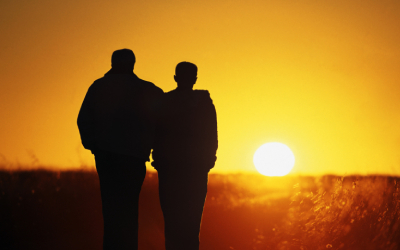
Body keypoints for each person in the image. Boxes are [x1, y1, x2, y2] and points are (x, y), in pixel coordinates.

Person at [77, 49, 163, 250]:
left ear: (113, 63)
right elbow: (163, 116)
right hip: (134, 158)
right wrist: (150, 145)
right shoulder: (146, 89)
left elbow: (83, 120)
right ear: (133, 64)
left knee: (111, 210)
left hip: (107, 158)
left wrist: (95, 146)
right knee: (129, 210)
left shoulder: (98, 87)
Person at [152, 61, 218, 250]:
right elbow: (212, 134)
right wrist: (207, 161)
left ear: (175, 78)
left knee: (172, 223)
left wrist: (159, 160)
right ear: (195, 79)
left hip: (170, 171)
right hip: (195, 170)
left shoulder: (164, 102)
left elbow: (156, 134)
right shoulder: (204, 103)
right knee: (192, 224)